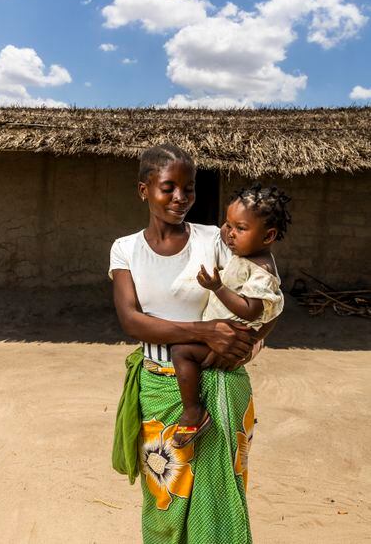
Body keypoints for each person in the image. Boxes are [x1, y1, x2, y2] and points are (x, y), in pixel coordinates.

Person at [109, 144, 277, 544]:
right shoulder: (126, 249)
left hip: (219, 380)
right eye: (169, 188)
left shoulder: (214, 240)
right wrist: (204, 332)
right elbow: (133, 321)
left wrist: (249, 343)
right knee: (164, 494)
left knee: (220, 497)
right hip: (158, 385)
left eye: (189, 188)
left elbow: (266, 295)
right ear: (144, 190)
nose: (180, 198)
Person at [171, 185, 291, 449]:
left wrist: (217, 287)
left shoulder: (262, 270)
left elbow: (251, 309)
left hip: (230, 338)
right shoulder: (244, 257)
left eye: (240, 229)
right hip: (222, 336)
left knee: (181, 352)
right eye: (227, 225)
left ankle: (193, 412)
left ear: (268, 235)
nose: (230, 234)